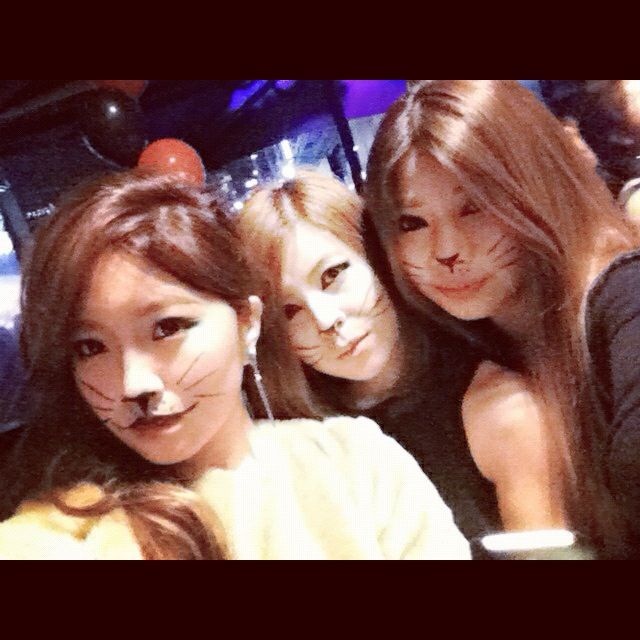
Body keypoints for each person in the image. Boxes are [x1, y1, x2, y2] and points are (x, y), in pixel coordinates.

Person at [0, 170, 469, 560]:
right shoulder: (72, 528)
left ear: (247, 321)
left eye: (167, 327)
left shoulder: (355, 461)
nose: (132, 384)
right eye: (89, 347)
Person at [364, 79, 640, 558]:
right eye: (412, 223)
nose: (446, 250)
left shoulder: (623, 300)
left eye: (474, 207)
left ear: (538, 187)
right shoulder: (466, 360)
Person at [236, 168, 501, 547]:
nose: (325, 320)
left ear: (378, 256)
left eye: (332, 275)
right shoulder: (298, 447)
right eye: (289, 311)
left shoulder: (495, 407)